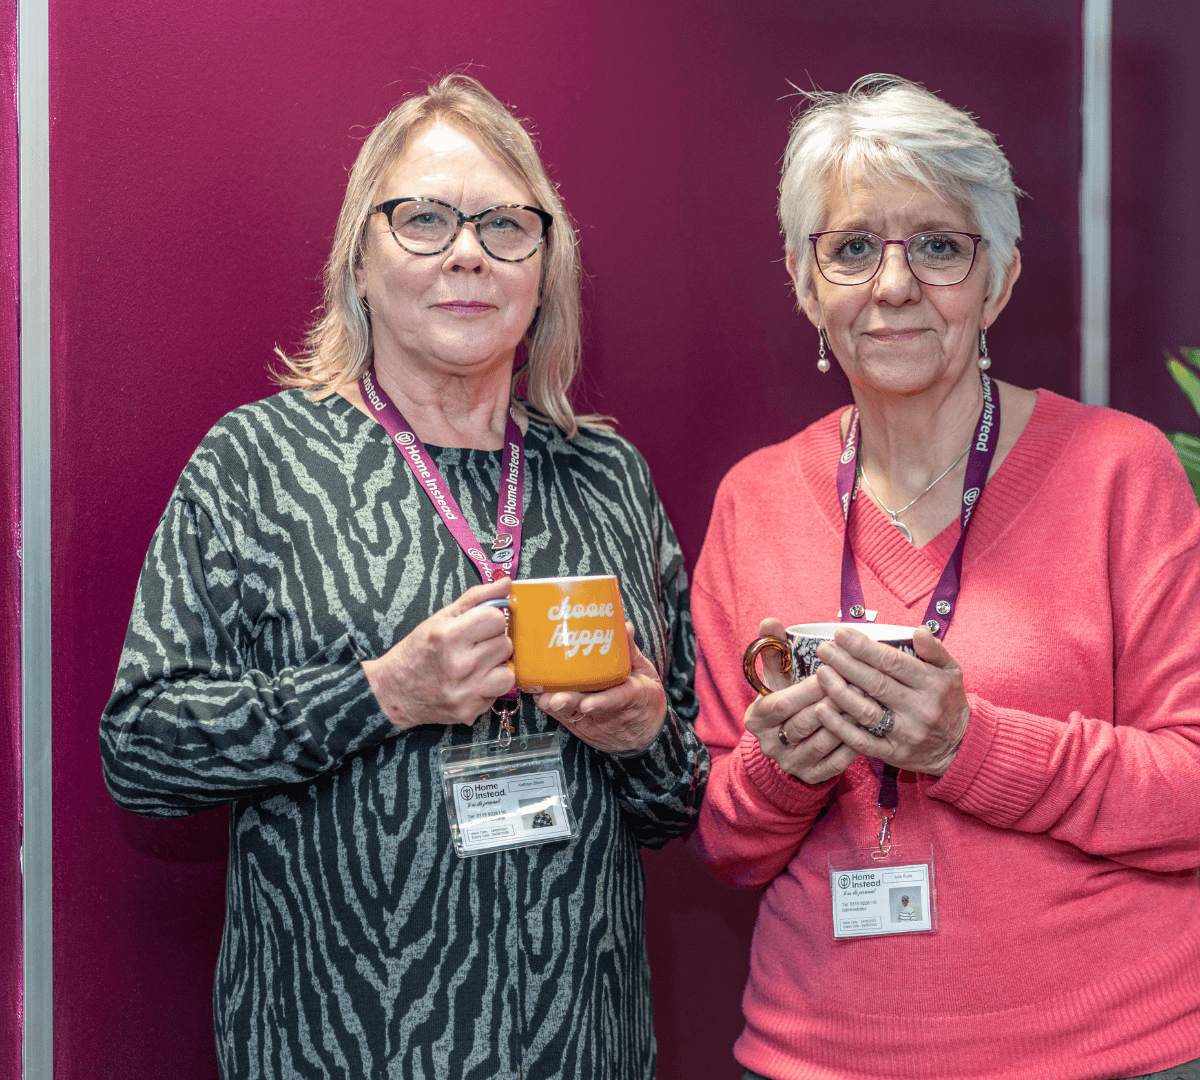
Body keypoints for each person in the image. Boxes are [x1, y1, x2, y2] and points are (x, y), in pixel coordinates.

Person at [101, 74, 707, 1080]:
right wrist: (381, 695)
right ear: (360, 256)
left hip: (583, 1048)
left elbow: (675, 801)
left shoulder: (608, 477)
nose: (467, 252)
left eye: (507, 225)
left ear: (546, 266)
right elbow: (143, 752)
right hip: (334, 1047)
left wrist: (645, 734)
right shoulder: (258, 464)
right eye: (424, 219)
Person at [689, 75, 1200, 1080]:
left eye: (938, 246)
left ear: (998, 280)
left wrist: (966, 742)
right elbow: (729, 841)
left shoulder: (1119, 473)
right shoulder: (752, 502)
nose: (893, 287)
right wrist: (784, 769)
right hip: (818, 1055)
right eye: (851, 249)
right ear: (804, 283)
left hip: (1115, 1054)